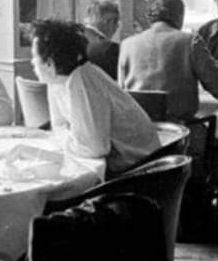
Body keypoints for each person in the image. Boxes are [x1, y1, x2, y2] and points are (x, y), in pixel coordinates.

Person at [30, 18, 160, 176]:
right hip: (116, 163)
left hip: (138, 171)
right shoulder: (57, 82)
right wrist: (73, 140)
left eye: (34, 57)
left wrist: (69, 139)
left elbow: (94, 148)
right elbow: (59, 127)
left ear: (50, 63)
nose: (32, 63)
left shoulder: (83, 81)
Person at [119, 0, 218, 121]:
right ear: (180, 16)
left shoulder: (127, 45)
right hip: (180, 131)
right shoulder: (190, 42)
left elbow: (121, 94)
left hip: (138, 130)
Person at [82, 0, 120, 79]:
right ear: (108, 21)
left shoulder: (76, 38)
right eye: (116, 22)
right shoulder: (110, 49)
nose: (118, 27)